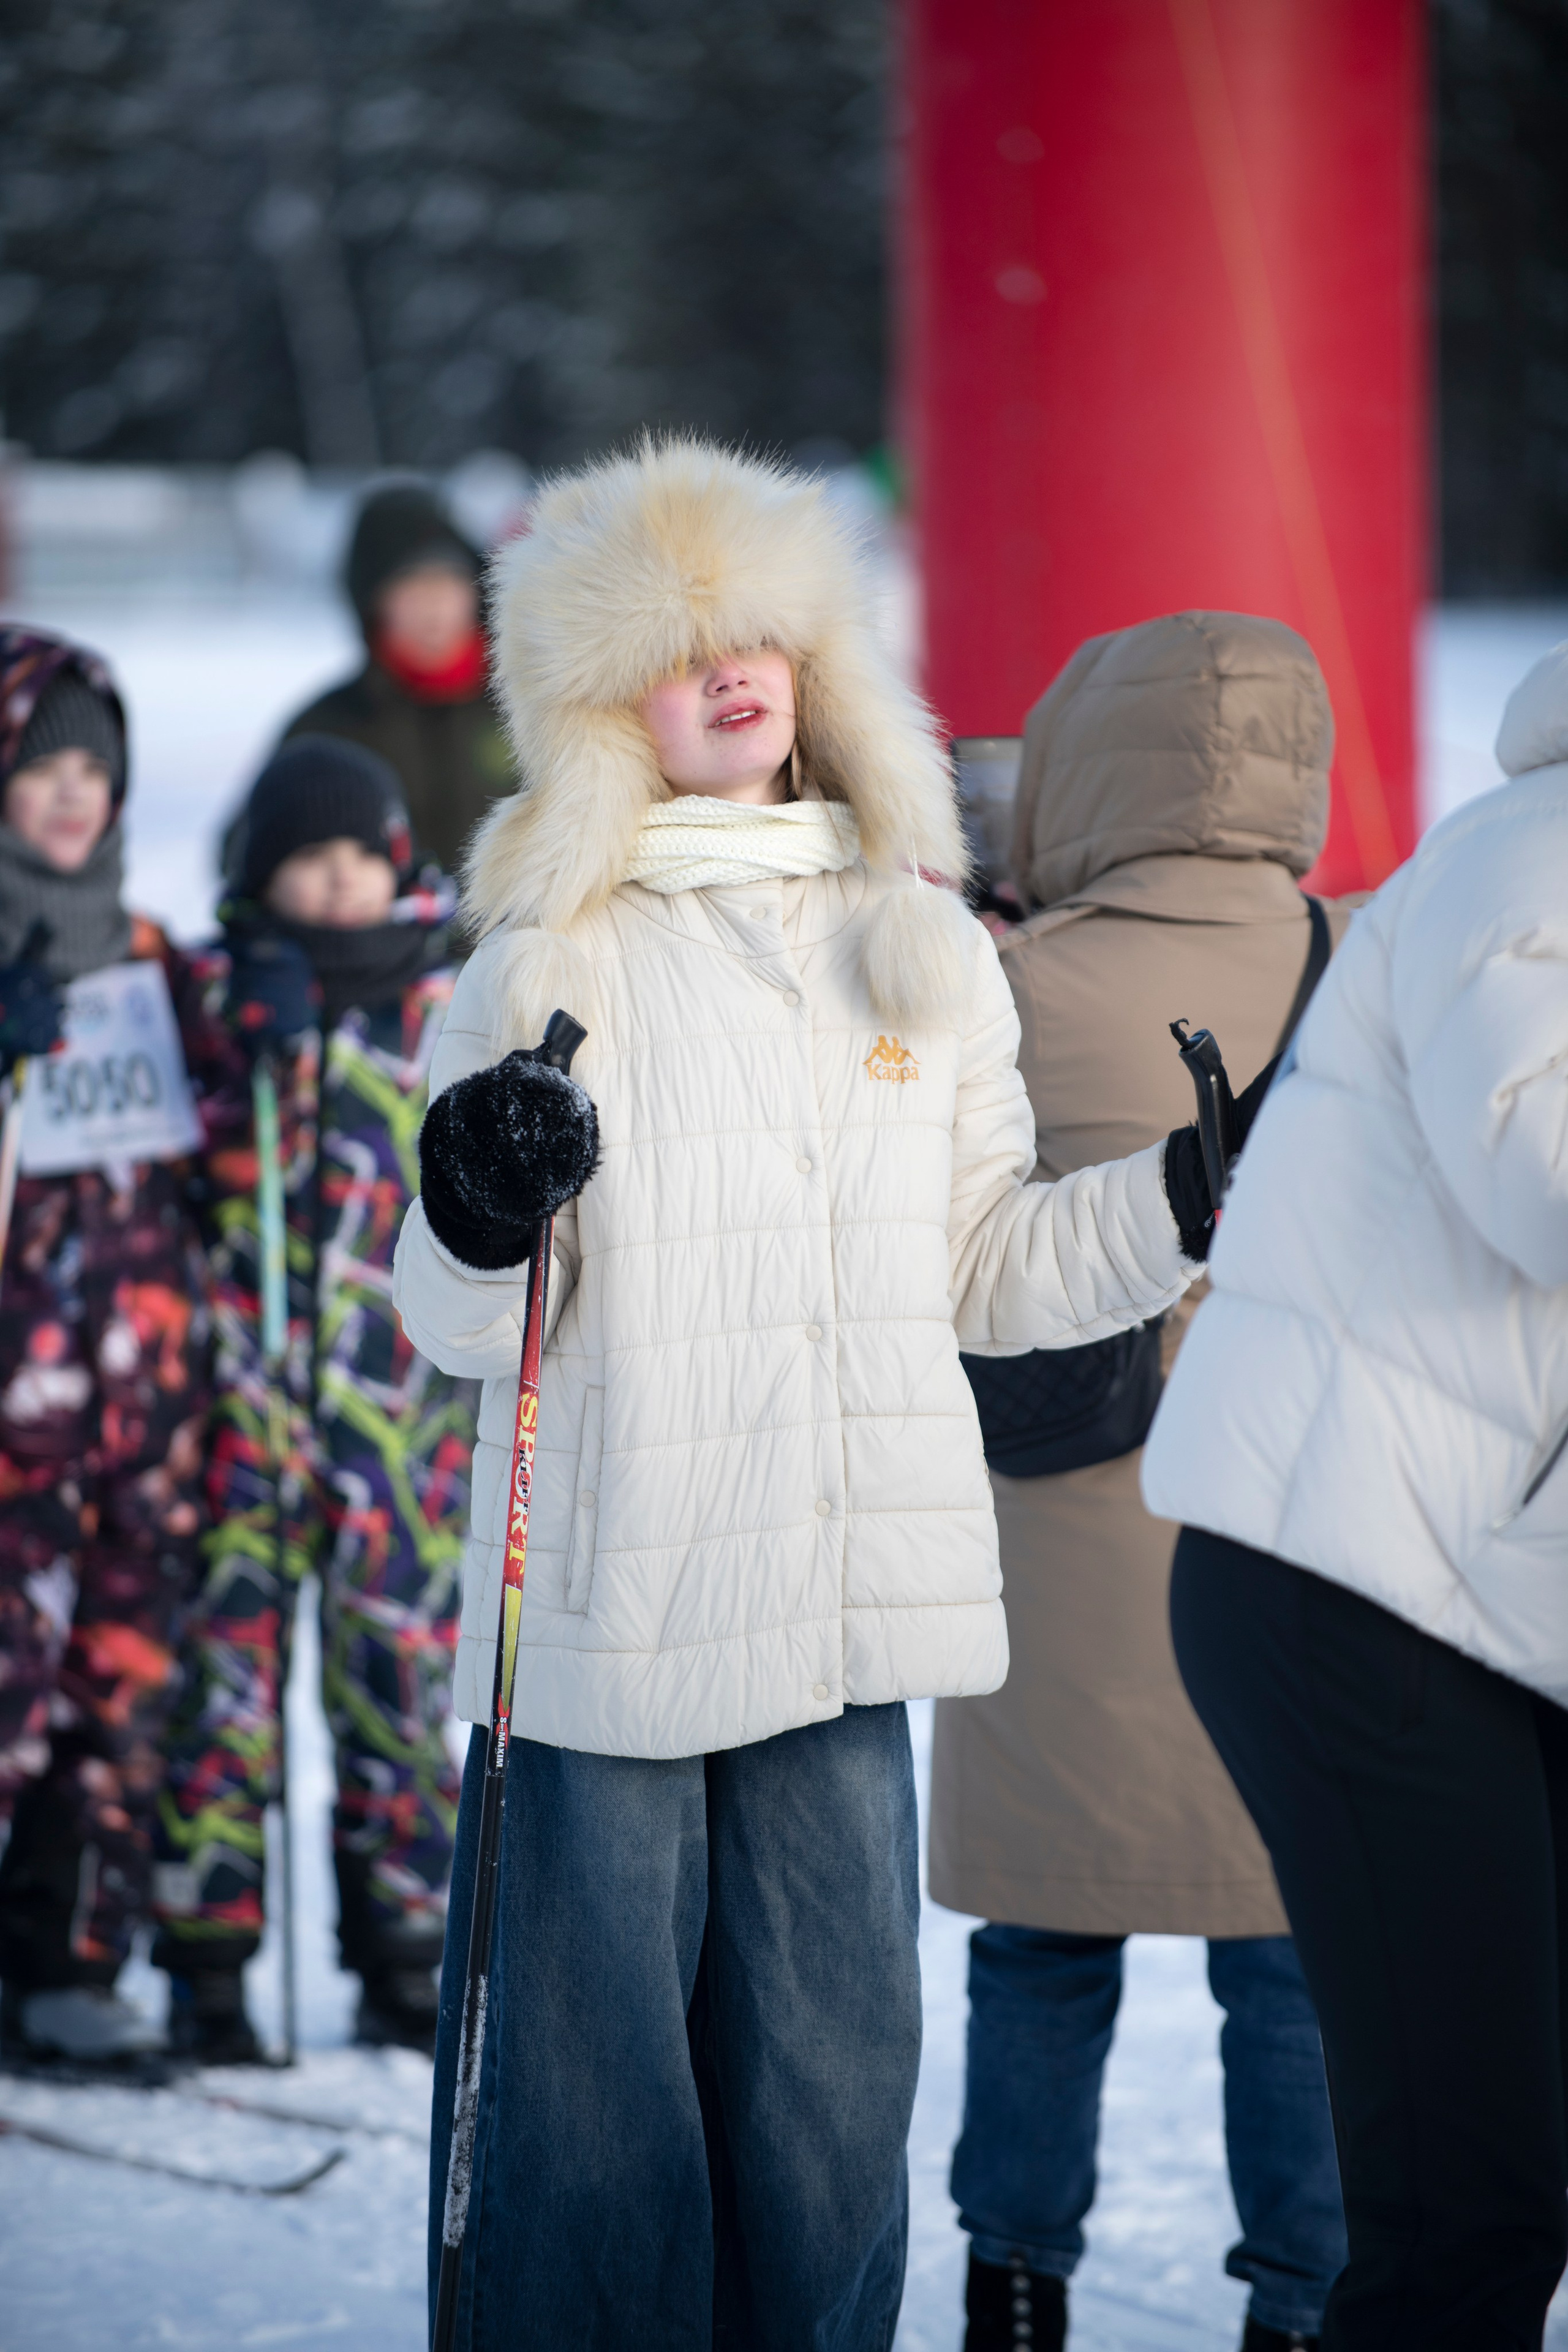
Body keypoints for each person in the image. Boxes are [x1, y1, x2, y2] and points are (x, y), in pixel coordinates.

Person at [393, 440, 1275, 2348]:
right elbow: (460, 1323)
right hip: (615, 1623)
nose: (730, 672)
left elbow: (983, 1269)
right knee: (594, 2133)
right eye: (676, 647)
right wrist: (472, 1205)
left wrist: (1181, 1203)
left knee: (826, 2109)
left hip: (841, 1614)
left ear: (818, 670)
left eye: (759, 638)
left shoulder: (927, 955)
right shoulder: (554, 958)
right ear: (601, 706)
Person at [929, 614, 1353, 2352]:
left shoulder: (1012, 986)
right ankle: (1308, 2305)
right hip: (1299, 1531)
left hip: (1058, 1531)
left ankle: (1015, 2285)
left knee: (1041, 1951)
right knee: (1300, 1966)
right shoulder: (1359, 959)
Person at [1144, 639, 1568, 2346]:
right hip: (1352, 1593)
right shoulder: (1531, 858)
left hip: (1484, 1595)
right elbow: (1541, 1172)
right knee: (1470, 2205)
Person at [151, 737, 477, 2060]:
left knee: (393, 1682)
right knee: (219, 1685)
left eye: (361, 856)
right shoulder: (214, 994)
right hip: (239, 1401)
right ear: (261, 870)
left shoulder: (447, 998)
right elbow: (180, 1168)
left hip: (397, 1414)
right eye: (309, 859)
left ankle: (407, 1949)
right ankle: (206, 1949)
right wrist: (246, 1047)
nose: (340, 885)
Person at [0, 626, 241, 2068]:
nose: (74, 792)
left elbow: (234, 1147)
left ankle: (66, 1962)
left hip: (143, 1419)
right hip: (14, 1414)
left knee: (117, 1687)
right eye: (44, 766)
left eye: (96, 766)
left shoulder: (152, 957)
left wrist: (268, 1006)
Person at [279, 482, 515, 876]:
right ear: (373, 603)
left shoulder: (535, 704)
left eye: (449, 581)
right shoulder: (331, 727)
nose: (435, 605)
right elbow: (251, 850)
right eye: (411, 585)